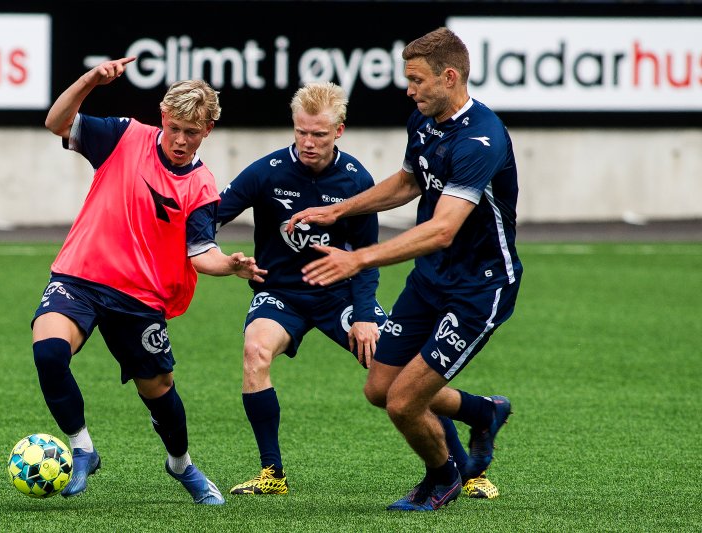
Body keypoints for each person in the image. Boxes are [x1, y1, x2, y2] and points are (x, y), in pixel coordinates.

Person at [217, 81, 495, 499]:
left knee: (405, 381)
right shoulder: (265, 171)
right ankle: (271, 474)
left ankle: (468, 471)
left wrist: (364, 315)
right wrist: (226, 261)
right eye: (301, 132)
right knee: (255, 352)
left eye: (319, 134)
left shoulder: (356, 182)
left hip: (341, 297)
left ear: (339, 132)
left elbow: (366, 258)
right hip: (283, 296)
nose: (308, 142)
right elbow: (208, 218)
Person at [287, 27, 521, 511]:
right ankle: (483, 412)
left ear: (449, 76)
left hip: (479, 288)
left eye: (416, 80)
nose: (409, 89)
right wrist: (338, 211)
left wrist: (358, 258)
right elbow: (409, 181)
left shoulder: (482, 139)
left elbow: (442, 230)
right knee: (379, 388)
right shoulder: (424, 120)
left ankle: (442, 478)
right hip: (430, 280)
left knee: (403, 402)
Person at [34, 56, 266, 505]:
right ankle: (82, 449)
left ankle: (181, 464)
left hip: (140, 298)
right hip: (80, 276)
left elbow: (202, 254)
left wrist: (232, 265)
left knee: (158, 390)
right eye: (175, 127)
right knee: (48, 352)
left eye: (192, 132)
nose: (180, 140)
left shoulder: (201, 186)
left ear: (208, 131)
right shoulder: (125, 136)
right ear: (163, 118)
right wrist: (89, 81)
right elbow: (55, 121)